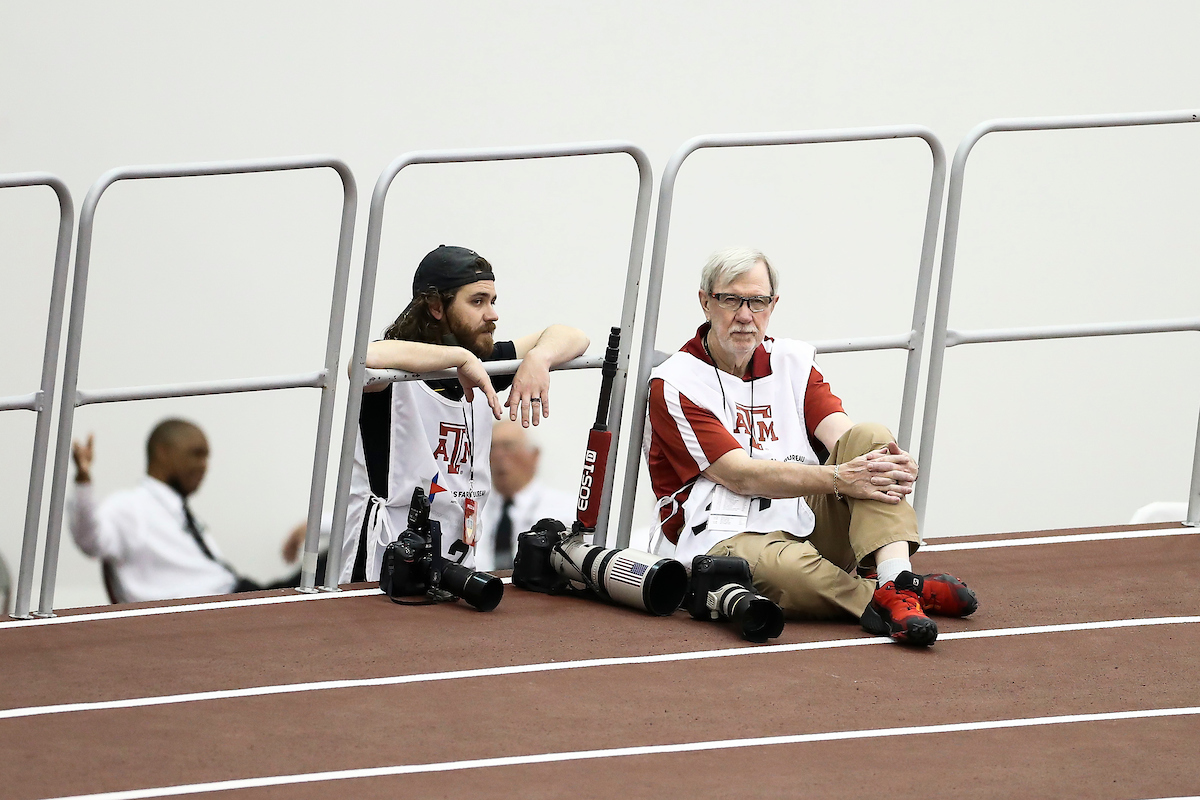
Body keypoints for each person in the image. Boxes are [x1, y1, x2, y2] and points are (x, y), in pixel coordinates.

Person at [646, 247, 977, 646]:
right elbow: (739, 475)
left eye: (758, 301)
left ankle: (894, 582)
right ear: (705, 302)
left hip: (803, 515)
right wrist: (841, 479)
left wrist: (892, 463)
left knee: (870, 437)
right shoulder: (675, 382)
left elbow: (844, 435)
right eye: (731, 300)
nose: (745, 315)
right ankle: (893, 595)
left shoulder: (792, 360)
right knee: (786, 572)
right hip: (723, 534)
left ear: (773, 304)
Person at [340, 245, 589, 583]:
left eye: (493, 301)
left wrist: (539, 358)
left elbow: (574, 336)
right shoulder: (395, 375)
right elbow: (361, 359)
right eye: (477, 302)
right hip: (384, 560)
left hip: (457, 559)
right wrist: (459, 357)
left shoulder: (483, 363)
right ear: (435, 306)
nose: (492, 314)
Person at [68, 419, 267, 603]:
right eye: (197, 454)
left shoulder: (180, 512)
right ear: (163, 452)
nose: (204, 466)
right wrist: (83, 481)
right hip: (202, 616)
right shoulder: (131, 506)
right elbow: (90, 541)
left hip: (236, 599)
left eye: (207, 457)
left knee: (298, 580)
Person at [475, 421, 577, 571]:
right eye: (491, 448)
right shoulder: (473, 509)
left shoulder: (569, 512)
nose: (498, 456)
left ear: (534, 455)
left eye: (508, 446)